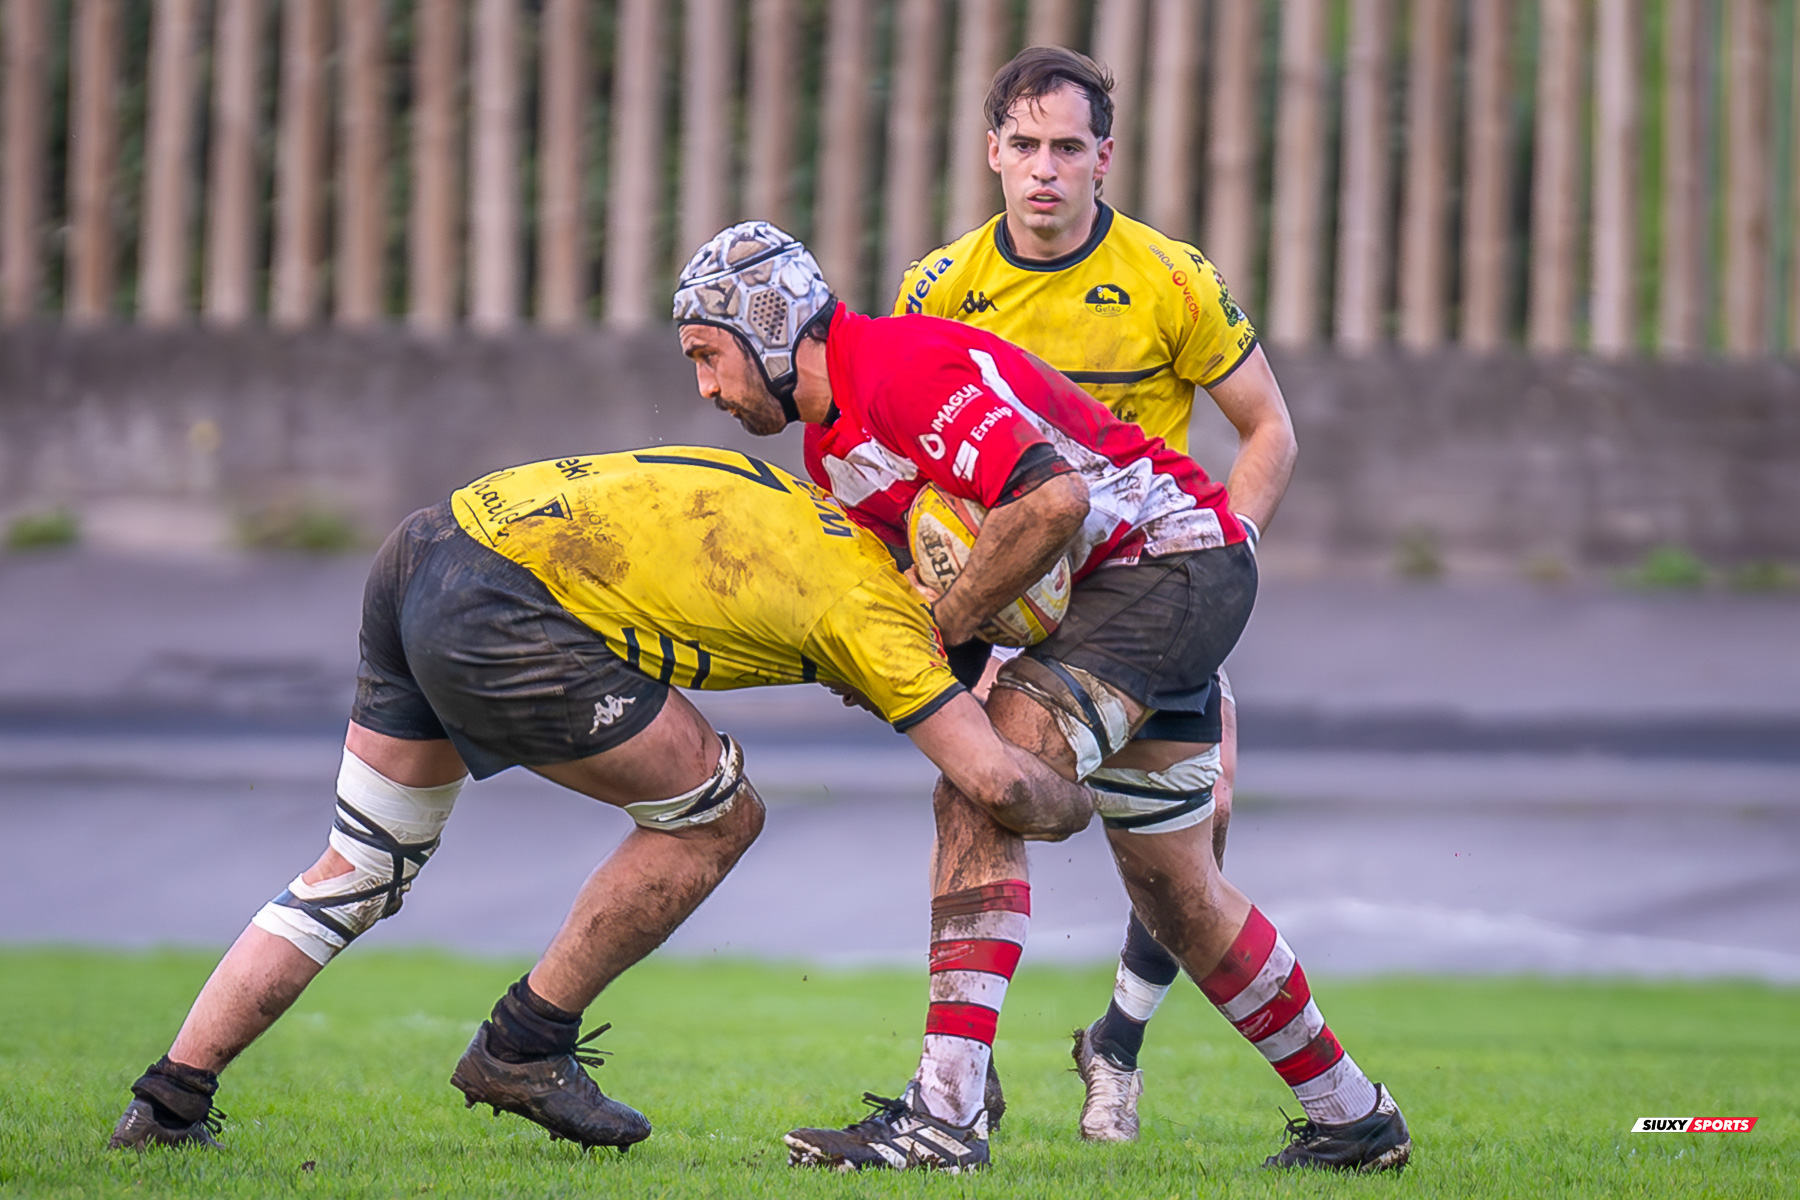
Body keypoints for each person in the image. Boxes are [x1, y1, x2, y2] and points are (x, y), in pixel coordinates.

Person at [106, 448, 1095, 1154]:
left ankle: (169, 1101)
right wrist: (1082, 779)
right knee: (721, 814)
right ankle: (524, 1044)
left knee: (360, 866)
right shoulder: (881, 619)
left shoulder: (812, 504)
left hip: (429, 543)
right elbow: (999, 782)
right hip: (502, 606)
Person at [673, 223, 1409, 1174]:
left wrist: (944, 630)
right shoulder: (830, 450)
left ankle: (945, 1113)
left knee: (980, 784)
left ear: (769, 330)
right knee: (1178, 891)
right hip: (1151, 581)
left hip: (1163, 568)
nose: (705, 387)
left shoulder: (895, 368)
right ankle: (1355, 1117)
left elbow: (1048, 503)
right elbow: (941, 588)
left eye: (708, 356)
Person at [897, 45, 1300, 1142]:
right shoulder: (940, 288)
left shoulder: (1171, 276)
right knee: (983, 802)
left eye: (1066, 147)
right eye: (1022, 146)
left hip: (1148, 594)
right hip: (1014, 607)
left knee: (1198, 840)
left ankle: (1113, 1041)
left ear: (1103, 158)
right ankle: (957, 1083)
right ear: (991, 153)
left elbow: (1269, 429)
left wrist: (1231, 548)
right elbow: (918, 460)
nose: (1043, 170)